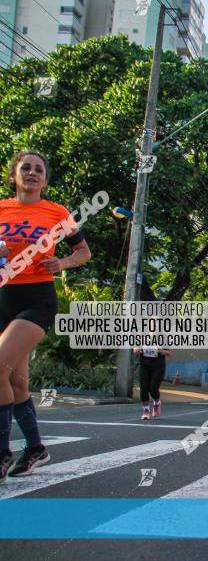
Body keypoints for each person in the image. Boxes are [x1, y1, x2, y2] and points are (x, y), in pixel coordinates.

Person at [0, 151, 91, 482]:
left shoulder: (56, 213)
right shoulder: (1, 207)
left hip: (37, 299)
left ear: (45, 180)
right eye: (26, 168)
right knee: (16, 381)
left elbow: (83, 252)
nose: (33, 173)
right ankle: (36, 447)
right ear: (14, 175)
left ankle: (2, 454)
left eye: (39, 169)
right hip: (2, 298)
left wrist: (62, 263)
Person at [134, 346, 171, 420]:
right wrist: (137, 350)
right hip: (144, 366)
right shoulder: (142, 336)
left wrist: (160, 351)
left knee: (153, 389)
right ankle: (146, 411)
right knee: (143, 389)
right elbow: (135, 349)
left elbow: (168, 353)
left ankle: (157, 403)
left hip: (158, 366)